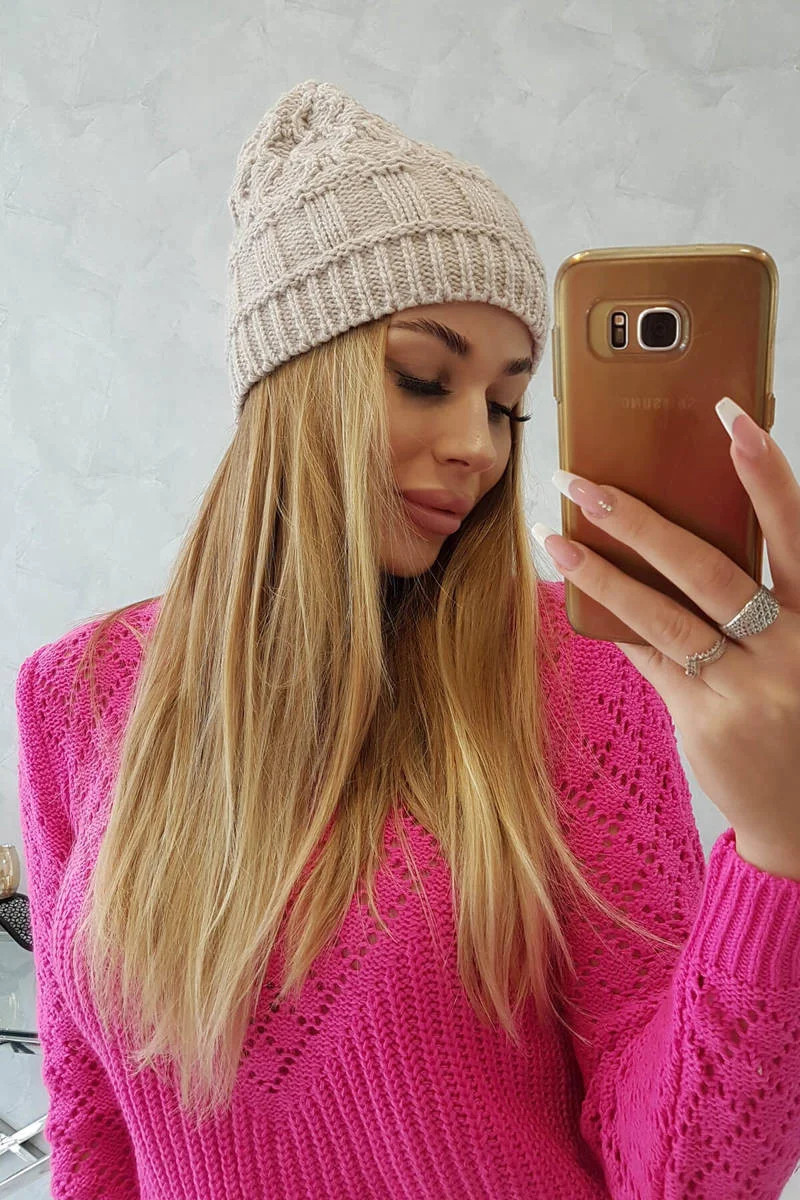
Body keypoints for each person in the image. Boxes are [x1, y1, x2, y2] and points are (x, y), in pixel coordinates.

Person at [15, 80, 800, 1199]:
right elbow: (91, 1130)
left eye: (507, 405)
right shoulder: (74, 695)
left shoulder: (578, 678)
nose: (480, 445)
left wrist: (779, 849)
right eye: (425, 378)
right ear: (290, 381)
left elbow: (674, 1175)